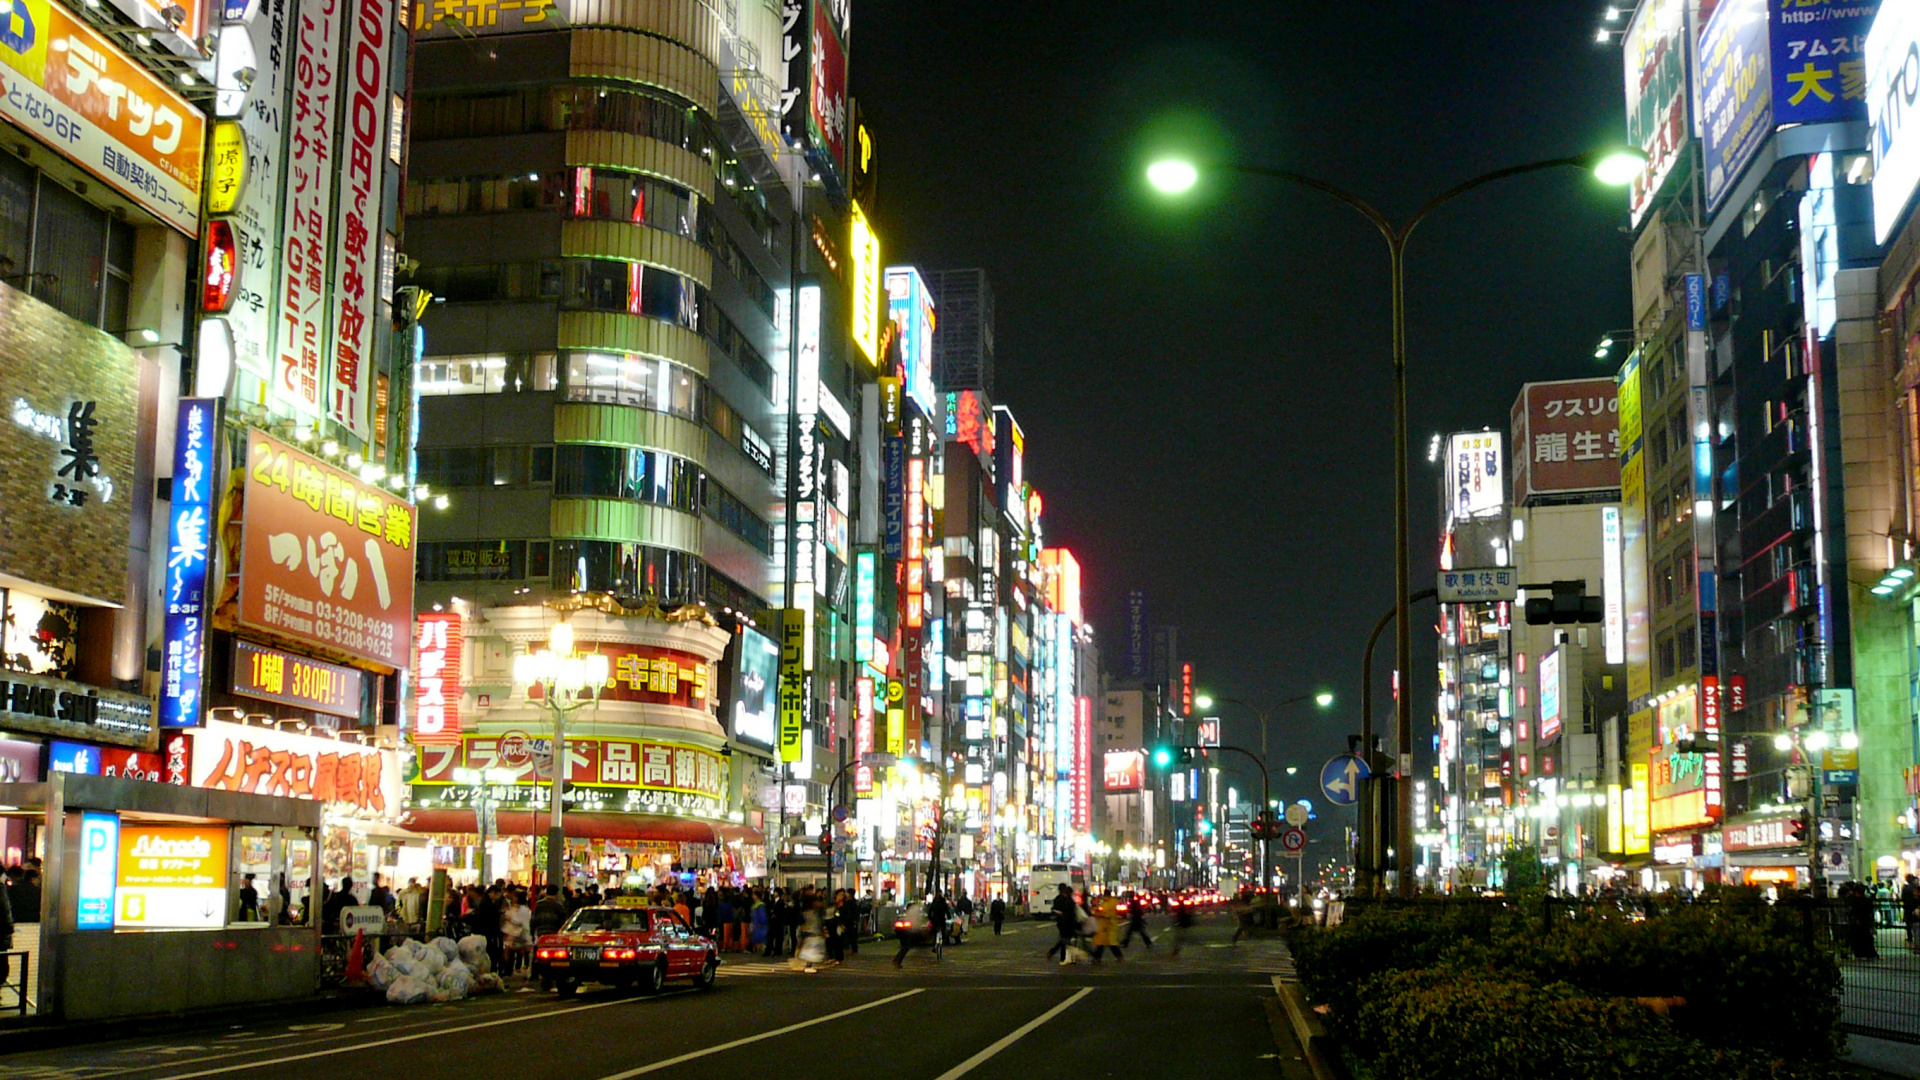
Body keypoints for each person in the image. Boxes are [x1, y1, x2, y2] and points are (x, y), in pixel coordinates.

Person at [1046, 883, 1079, 962]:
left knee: (1064, 940)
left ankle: (1061, 956)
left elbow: (1054, 910)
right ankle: (1063, 957)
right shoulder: (1067, 900)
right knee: (1065, 940)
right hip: (1067, 922)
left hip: (1062, 922)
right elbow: (1070, 912)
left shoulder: (1058, 899)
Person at [1089, 893, 1123, 963]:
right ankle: (1118, 956)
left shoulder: (1105, 903)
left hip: (1106, 924)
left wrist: (1096, 911)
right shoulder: (1113, 902)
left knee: (1106, 942)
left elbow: (1101, 912)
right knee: (1106, 942)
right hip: (1109, 924)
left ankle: (1097, 957)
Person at [1901, 874, 1920, 952]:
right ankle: (1915, 944)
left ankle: (1912, 941)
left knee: (1910, 927)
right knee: (1915, 928)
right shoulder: (1912, 888)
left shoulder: (1905, 888)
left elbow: (1903, 898)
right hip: (1912, 910)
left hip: (1908, 910)